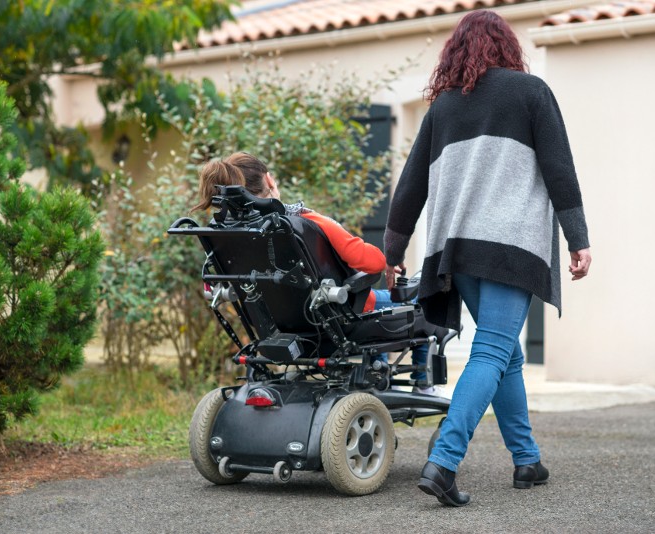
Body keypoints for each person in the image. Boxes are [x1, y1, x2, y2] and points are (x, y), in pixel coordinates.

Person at [382, 10, 592, 507]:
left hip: (455, 250)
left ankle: (527, 460)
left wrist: (392, 251)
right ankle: (445, 461)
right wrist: (577, 238)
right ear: (507, 47)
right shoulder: (532, 92)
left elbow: (410, 186)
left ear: (456, 51)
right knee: (495, 349)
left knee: (506, 353)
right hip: (509, 245)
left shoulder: (442, 108)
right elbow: (560, 169)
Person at [193, 153, 444, 395]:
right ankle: (423, 382)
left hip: (278, 326)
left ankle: (378, 378)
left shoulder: (232, 236)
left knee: (369, 304)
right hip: (338, 319)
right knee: (424, 296)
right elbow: (374, 263)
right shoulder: (305, 222)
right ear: (269, 180)